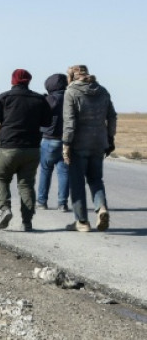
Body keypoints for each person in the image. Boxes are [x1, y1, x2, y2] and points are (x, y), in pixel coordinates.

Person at [0, 69, 52, 231]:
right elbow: (48, 122)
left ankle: (5, 209)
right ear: (28, 81)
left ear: (13, 81)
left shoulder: (4, 97)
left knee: (1, 179)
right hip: (32, 149)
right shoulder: (39, 99)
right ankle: (27, 221)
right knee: (26, 185)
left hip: (8, 147)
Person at [62, 64, 117, 232]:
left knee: (77, 182)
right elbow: (112, 117)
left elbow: (70, 122)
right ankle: (101, 208)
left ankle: (82, 221)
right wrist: (110, 138)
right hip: (99, 142)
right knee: (95, 179)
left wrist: (66, 145)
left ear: (72, 76)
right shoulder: (102, 91)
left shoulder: (71, 92)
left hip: (78, 144)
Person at [37, 73, 71, 212]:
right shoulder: (71, 97)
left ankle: (42, 201)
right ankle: (62, 203)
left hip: (49, 139)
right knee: (64, 172)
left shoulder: (50, 99)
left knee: (45, 170)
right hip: (66, 140)